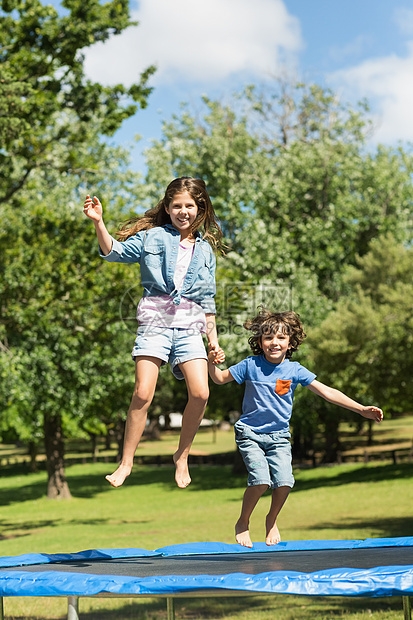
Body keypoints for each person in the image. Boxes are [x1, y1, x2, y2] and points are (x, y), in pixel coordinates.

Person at [83, 177, 224, 489]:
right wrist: (99, 222)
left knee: (201, 393)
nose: (183, 211)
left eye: (189, 205)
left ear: (199, 208)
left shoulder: (205, 253)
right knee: (143, 392)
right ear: (168, 208)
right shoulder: (152, 237)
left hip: (190, 326)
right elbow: (113, 251)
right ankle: (126, 461)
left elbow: (208, 302)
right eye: (177, 206)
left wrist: (213, 342)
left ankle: (182, 455)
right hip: (155, 322)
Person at [208, 307, 383, 548]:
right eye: (268, 337)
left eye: (281, 337)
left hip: (279, 436)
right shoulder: (250, 365)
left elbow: (328, 392)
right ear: (260, 341)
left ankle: (271, 519)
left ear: (290, 342)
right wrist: (210, 362)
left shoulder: (294, 370)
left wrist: (361, 409)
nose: (274, 342)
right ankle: (243, 522)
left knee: (285, 482)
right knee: (260, 480)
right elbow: (218, 378)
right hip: (250, 434)